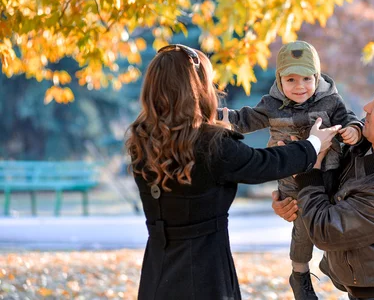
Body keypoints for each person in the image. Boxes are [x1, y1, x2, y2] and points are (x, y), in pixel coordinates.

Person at [125, 44, 340, 300]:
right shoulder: (208, 143)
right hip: (205, 270)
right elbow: (264, 163)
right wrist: (314, 143)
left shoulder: (143, 138)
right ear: (197, 87)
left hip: (158, 268)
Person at [272, 73, 374, 300]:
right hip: (365, 289)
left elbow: (326, 231)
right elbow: (336, 193)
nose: (366, 107)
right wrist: (292, 200)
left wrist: (307, 177)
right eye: (373, 99)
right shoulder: (370, 144)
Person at [219, 41, 363, 300]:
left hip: (330, 174)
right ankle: (299, 275)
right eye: (291, 79)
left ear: (317, 77)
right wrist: (220, 116)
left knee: (336, 220)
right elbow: (245, 119)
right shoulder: (272, 105)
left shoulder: (330, 101)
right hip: (291, 179)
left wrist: (353, 130)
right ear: (280, 80)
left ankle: (333, 260)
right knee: (304, 226)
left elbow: (349, 118)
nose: (300, 87)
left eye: (307, 78)